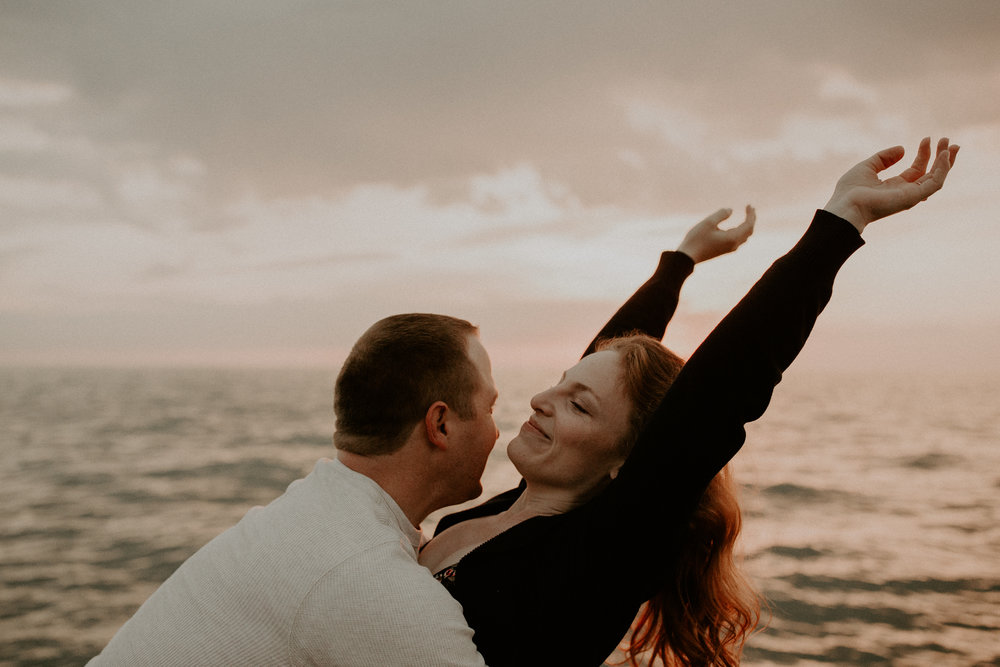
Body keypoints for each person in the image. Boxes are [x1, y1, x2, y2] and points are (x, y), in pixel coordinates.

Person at [418, 138, 960, 666]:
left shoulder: (596, 554)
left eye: (578, 407)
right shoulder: (508, 508)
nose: (541, 400)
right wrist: (680, 262)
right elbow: (609, 364)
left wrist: (844, 219)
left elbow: (718, 391)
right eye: (560, 382)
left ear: (628, 460)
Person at [89, 314, 497, 665]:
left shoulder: (317, 512)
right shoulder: (365, 574)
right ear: (440, 424)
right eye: (490, 409)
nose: (496, 431)